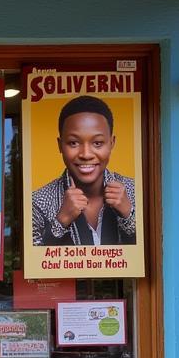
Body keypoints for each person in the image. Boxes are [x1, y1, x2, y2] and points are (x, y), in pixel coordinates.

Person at [32, 95, 136, 247]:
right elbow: (33, 265)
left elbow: (153, 254)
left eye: (98, 143)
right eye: (73, 143)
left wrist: (129, 215)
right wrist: (61, 222)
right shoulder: (38, 203)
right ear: (60, 145)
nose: (86, 154)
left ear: (112, 143)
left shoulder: (135, 191)